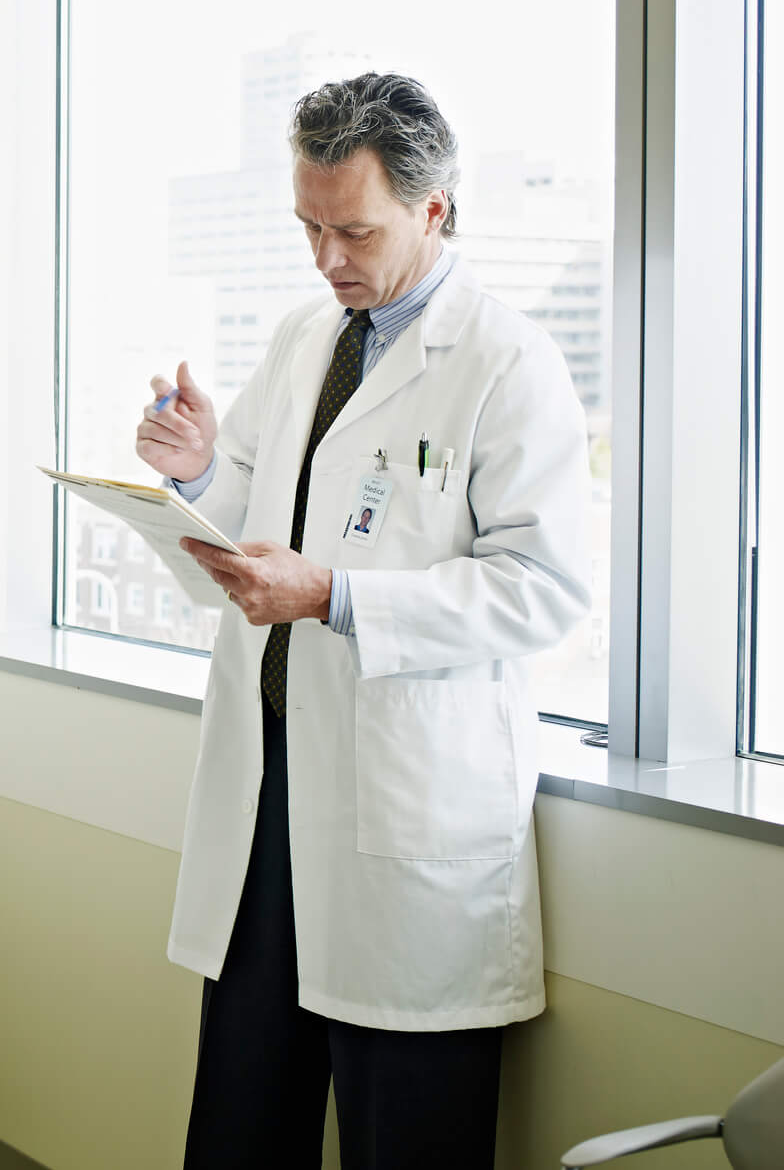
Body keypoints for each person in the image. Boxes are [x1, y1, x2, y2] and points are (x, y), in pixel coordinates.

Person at [134, 73, 591, 1169]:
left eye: (354, 230)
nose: (326, 257)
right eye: (308, 226)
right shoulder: (305, 337)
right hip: (269, 789)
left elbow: (541, 587)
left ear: (433, 209)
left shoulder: (504, 361)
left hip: (403, 808)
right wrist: (198, 473)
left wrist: (334, 598)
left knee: (405, 1134)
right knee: (243, 1121)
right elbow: (250, 531)